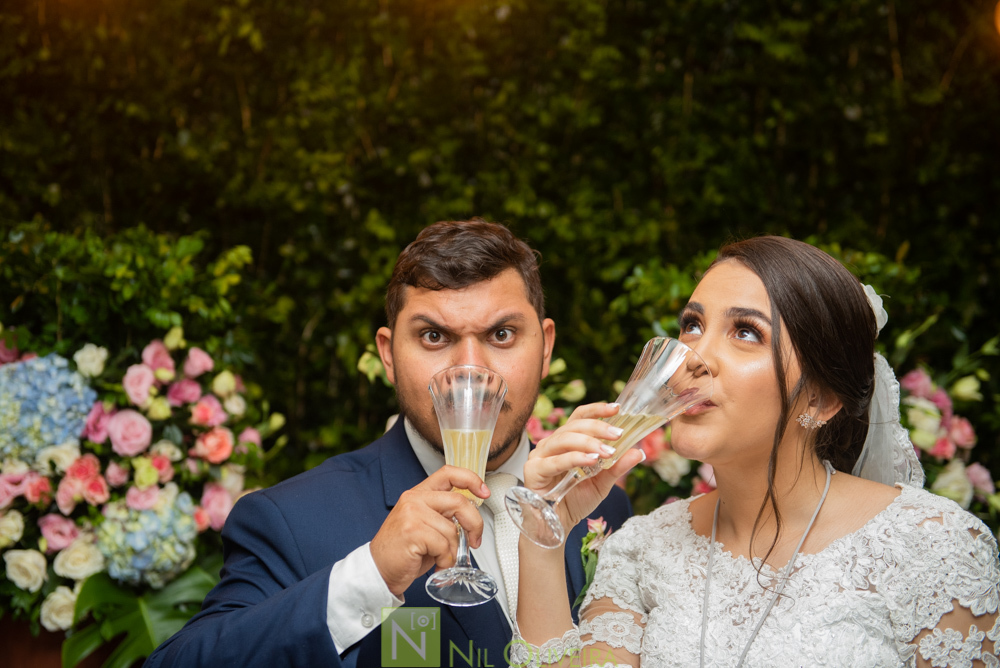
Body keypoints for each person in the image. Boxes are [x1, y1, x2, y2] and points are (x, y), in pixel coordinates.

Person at [145, 220, 632, 667]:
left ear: (545, 347)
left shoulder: (603, 507)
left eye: (501, 334)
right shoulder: (292, 520)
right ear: (388, 354)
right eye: (435, 336)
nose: (471, 374)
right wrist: (370, 576)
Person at [514, 236, 1000, 667]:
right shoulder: (642, 549)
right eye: (692, 325)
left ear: (822, 398)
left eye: (746, 331)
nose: (693, 358)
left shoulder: (935, 549)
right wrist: (542, 539)